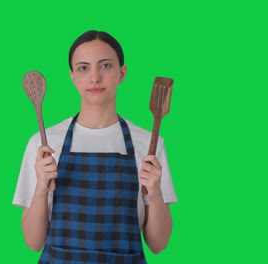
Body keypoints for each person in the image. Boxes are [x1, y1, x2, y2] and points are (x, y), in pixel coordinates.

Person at [13, 30, 178, 263]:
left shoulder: (149, 144)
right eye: (83, 68)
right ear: (72, 77)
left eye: (106, 66)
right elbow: (33, 242)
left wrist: (156, 192)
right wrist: (41, 187)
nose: (94, 77)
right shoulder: (44, 144)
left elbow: (158, 244)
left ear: (122, 73)